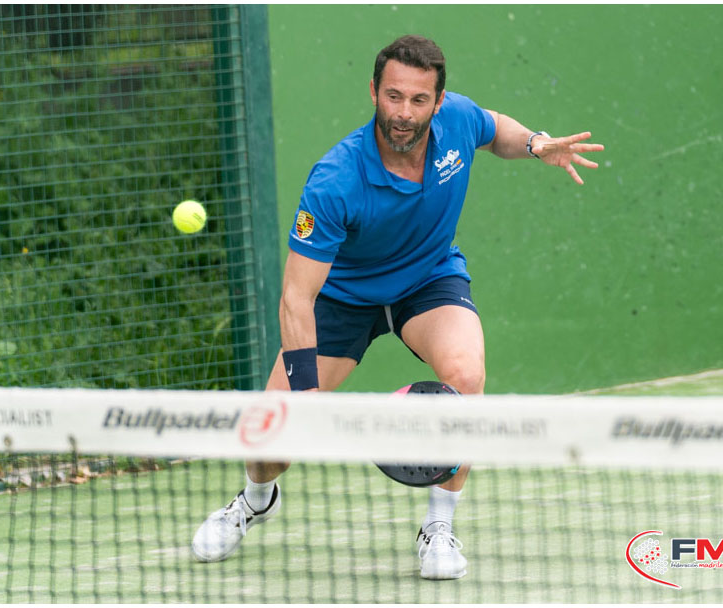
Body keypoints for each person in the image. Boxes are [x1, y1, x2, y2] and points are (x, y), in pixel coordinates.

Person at [192, 34, 603, 580]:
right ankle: (255, 500)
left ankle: (439, 526)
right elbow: (297, 296)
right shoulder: (335, 180)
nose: (404, 112)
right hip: (344, 298)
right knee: (274, 432)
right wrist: (306, 390)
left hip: (427, 279)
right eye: (393, 96)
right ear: (373, 92)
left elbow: (495, 128)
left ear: (437, 101)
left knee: (466, 377)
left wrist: (535, 143)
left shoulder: (457, 121)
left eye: (417, 99)